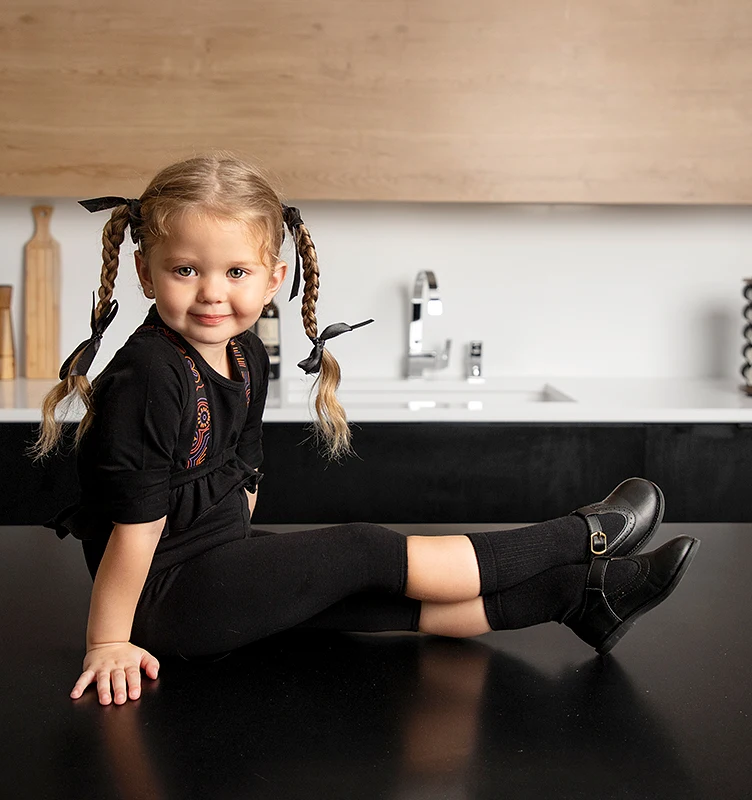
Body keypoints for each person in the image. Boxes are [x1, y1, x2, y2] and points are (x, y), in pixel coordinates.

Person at [38, 152, 700, 707]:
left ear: (273, 279)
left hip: (213, 566)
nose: (212, 292)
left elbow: (244, 467)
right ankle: (581, 535)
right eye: (186, 270)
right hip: (161, 596)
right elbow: (136, 529)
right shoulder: (152, 376)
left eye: (236, 272)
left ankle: (578, 596)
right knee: (361, 550)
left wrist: (258, 570)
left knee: (366, 593)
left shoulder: (245, 354)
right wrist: (110, 641)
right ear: (146, 273)